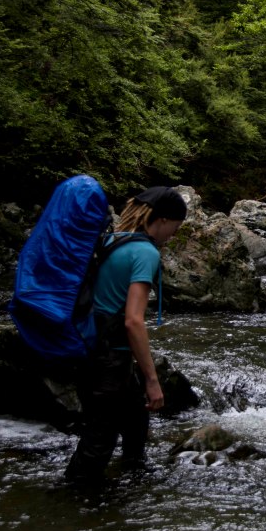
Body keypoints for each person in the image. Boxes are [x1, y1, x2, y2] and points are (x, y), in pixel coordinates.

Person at [65, 186, 187, 486]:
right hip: (109, 357)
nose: (175, 233)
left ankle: (135, 474)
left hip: (90, 348)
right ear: (162, 219)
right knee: (98, 440)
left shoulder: (112, 241)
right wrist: (152, 379)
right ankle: (74, 506)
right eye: (177, 225)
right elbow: (133, 321)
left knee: (135, 417)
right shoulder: (146, 252)